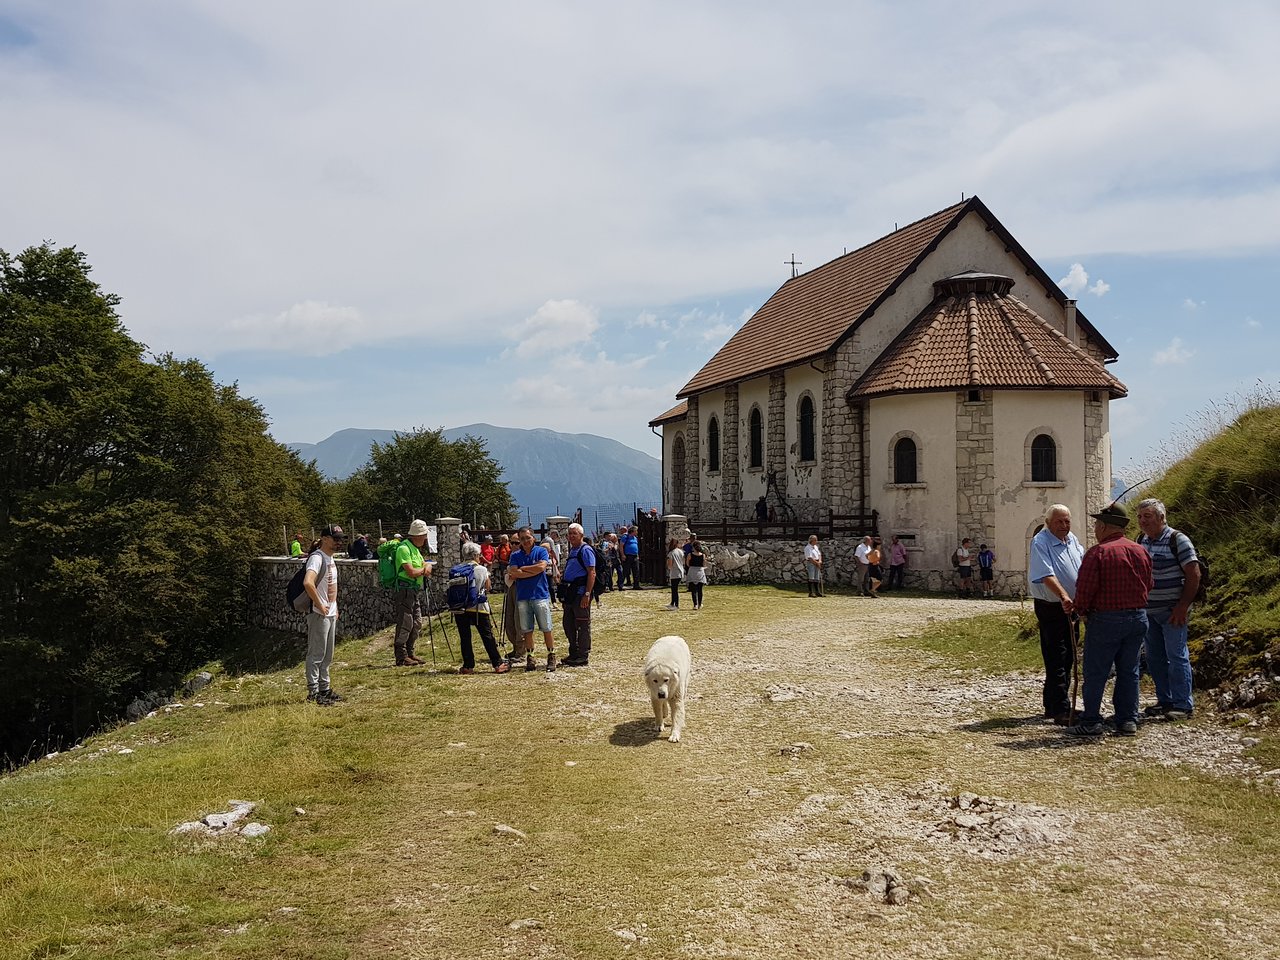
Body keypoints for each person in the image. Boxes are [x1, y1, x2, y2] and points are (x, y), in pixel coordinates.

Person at [1066, 503, 1153, 738]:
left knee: (1096, 671)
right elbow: (1149, 584)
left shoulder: (1098, 553)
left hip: (1105, 619)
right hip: (1138, 617)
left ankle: (1092, 720)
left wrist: (1080, 610)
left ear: (1103, 526)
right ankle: (1127, 720)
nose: (1095, 528)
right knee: (1129, 670)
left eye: (1096, 524)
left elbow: (1084, 589)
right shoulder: (1140, 550)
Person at [1135, 498, 1202, 721]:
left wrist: (1182, 606)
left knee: (1177, 656)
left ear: (1162, 518)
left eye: (1148, 516)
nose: (1142, 521)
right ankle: (1165, 701)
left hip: (1173, 611)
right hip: (1148, 612)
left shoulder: (1178, 540)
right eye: (1140, 517)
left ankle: (1183, 705)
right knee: (1154, 658)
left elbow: (1194, 573)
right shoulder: (1141, 540)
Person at [1028, 505, 1085, 725]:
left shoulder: (1072, 540)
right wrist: (1064, 596)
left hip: (1072, 608)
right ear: (1048, 522)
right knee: (1057, 657)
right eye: (1060, 522)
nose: (1064, 526)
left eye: (1067, 521)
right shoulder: (1040, 542)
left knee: (1068, 655)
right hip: (1052, 606)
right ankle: (1061, 709)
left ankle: (1053, 704)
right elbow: (1045, 574)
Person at [302, 525, 345, 705]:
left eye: (341, 539)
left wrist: (334, 607)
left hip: (329, 612)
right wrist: (320, 604)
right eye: (335, 539)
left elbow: (331, 585)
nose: (339, 542)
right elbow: (308, 582)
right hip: (319, 612)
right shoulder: (317, 558)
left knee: (328, 654)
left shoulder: (329, 558)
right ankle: (313, 692)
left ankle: (324, 688)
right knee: (317, 653)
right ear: (325, 538)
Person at [453, 541, 508, 674]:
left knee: (465, 637)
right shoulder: (482, 569)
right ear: (476, 555)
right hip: (478, 607)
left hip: (459, 607)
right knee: (487, 635)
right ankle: (497, 664)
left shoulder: (456, 569)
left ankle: (468, 666)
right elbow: (488, 587)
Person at [507, 526, 556, 672]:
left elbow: (542, 567)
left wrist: (523, 569)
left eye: (528, 538)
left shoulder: (541, 551)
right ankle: (531, 657)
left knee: (546, 627)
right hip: (523, 597)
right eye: (522, 539)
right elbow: (514, 572)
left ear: (533, 538)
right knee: (527, 630)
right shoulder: (515, 555)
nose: (525, 541)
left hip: (540, 595)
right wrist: (532, 569)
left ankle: (551, 655)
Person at [392, 519, 434, 667]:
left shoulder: (414, 549)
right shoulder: (404, 549)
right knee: (406, 622)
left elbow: (423, 565)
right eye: (423, 535)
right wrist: (425, 569)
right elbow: (411, 571)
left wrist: (425, 566)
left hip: (413, 590)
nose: (425, 538)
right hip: (405, 589)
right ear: (417, 535)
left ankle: (410, 653)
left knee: (416, 622)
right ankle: (401, 656)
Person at [560, 523, 597, 666]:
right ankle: (573, 653)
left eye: (574, 533)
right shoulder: (573, 550)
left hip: (580, 593)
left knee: (582, 624)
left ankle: (583, 655)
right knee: (568, 624)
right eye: (569, 533)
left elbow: (591, 572)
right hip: (570, 594)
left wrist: (587, 594)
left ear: (581, 535)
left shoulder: (585, 550)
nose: (571, 536)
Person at [685, 540, 707, 609]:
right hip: (700, 571)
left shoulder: (690, 555)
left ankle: (695, 604)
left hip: (692, 571)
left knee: (693, 589)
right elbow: (704, 564)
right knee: (700, 589)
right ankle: (700, 604)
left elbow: (687, 564)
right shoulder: (703, 555)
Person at [665, 538, 685, 609]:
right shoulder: (681, 552)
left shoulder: (671, 553)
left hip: (674, 572)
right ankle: (672, 603)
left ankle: (676, 605)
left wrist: (669, 567)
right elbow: (683, 561)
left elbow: (670, 564)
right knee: (674, 589)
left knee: (674, 590)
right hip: (680, 571)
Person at [620, 525, 641, 589]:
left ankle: (636, 585)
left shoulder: (635, 538)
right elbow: (621, 546)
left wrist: (637, 555)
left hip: (634, 556)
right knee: (625, 571)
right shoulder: (625, 537)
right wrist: (623, 555)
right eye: (636, 531)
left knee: (636, 571)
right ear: (633, 531)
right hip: (628, 556)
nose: (637, 532)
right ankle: (620, 585)